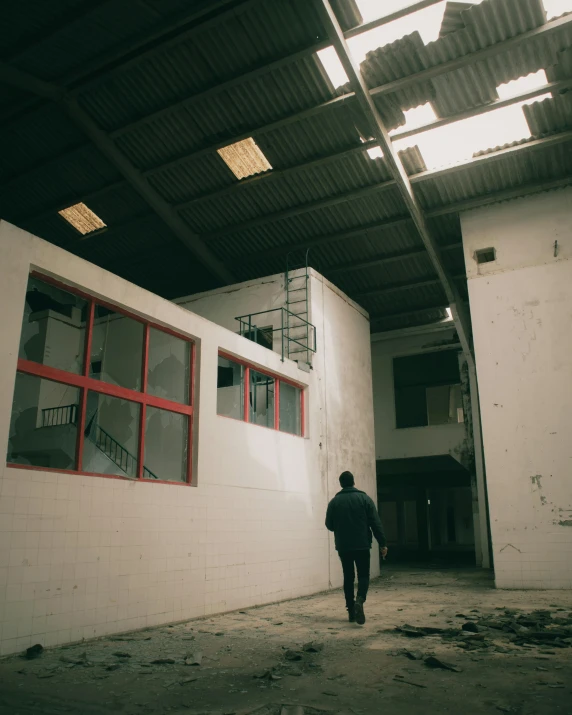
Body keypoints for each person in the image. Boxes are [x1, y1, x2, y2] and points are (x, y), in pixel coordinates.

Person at [325, 471, 388, 625]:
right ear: (353, 482)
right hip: (362, 545)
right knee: (363, 575)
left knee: (348, 576)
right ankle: (360, 599)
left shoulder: (334, 502)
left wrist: (341, 527)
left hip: (343, 546)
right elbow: (375, 523)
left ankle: (351, 611)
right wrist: (383, 543)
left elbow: (329, 525)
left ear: (341, 484)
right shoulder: (364, 499)